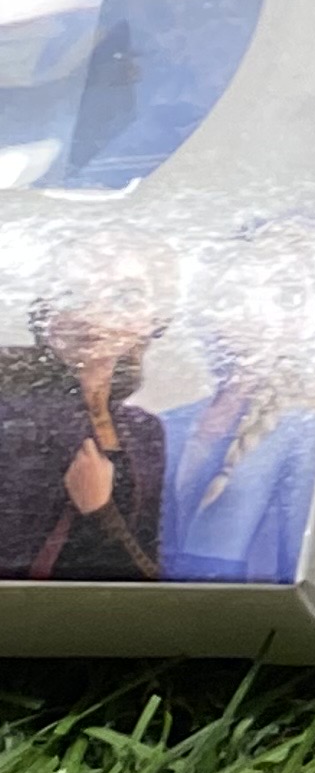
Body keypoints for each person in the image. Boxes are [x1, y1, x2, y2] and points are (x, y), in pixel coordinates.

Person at [0, 240, 175, 580]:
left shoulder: (144, 430)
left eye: (124, 297)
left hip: (105, 607)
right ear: (45, 313)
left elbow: (145, 567)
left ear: (152, 320)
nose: (93, 313)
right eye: (72, 295)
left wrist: (99, 510)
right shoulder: (11, 413)